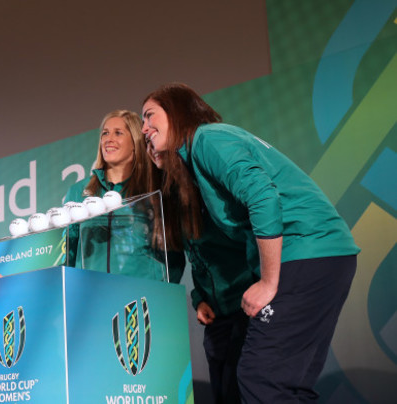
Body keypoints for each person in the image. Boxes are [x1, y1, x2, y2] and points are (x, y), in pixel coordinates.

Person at [141, 83, 359, 403]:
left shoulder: (207, 139)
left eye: (149, 116)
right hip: (321, 255)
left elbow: (262, 196)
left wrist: (269, 282)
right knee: (285, 384)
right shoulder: (199, 153)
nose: (144, 128)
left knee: (262, 377)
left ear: (177, 110)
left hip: (307, 253)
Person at [148, 140, 250, 403]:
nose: (151, 145)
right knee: (224, 394)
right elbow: (197, 257)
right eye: (148, 145)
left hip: (248, 304)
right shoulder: (168, 202)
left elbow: (248, 240)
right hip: (216, 313)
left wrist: (260, 285)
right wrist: (199, 298)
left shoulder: (209, 188)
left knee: (249, 388)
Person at [64, 110, 180, 281]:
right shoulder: (78, 191)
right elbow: (67, 251)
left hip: (142, 298)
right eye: (105, 133)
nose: (108, 139)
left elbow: (174, 253)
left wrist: (163, 291)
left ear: (135, 141)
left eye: (118, 133)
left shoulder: (155, 187)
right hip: (90, 296)